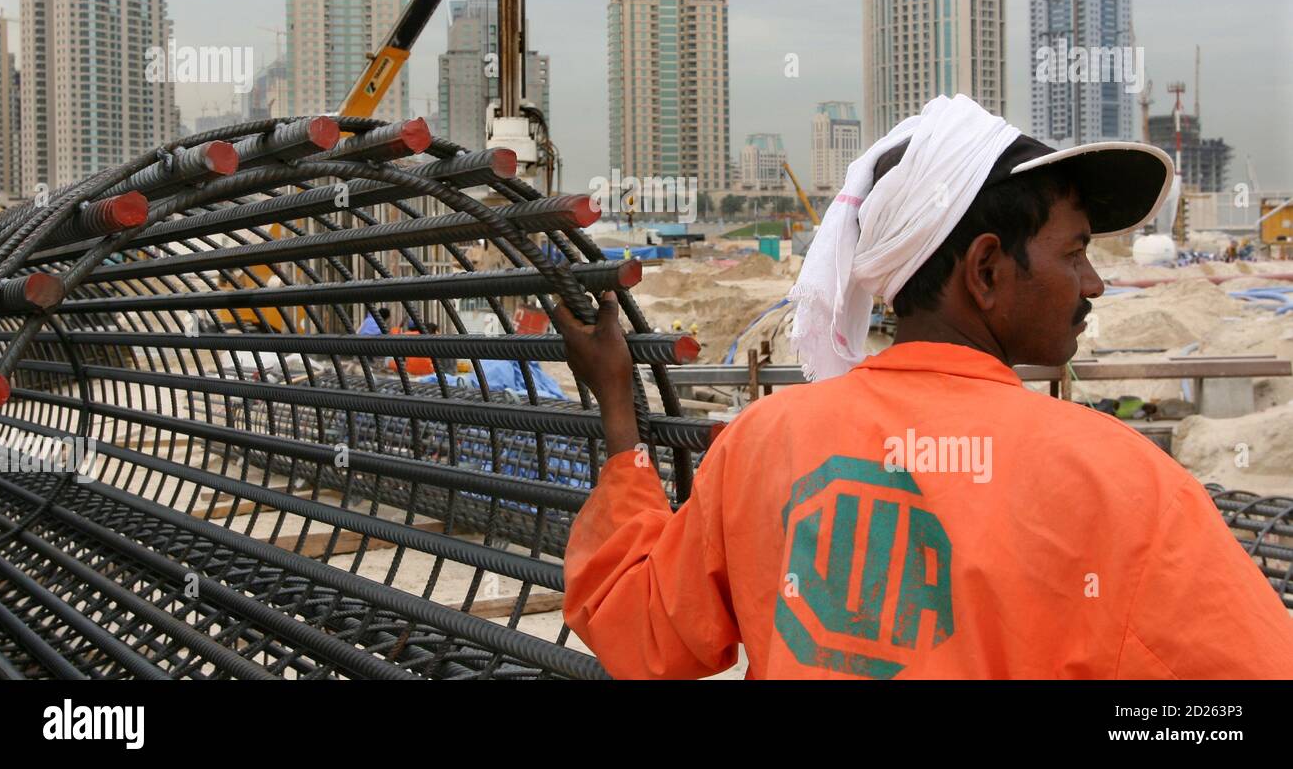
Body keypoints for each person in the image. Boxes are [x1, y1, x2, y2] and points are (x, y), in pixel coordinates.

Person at [550, 94, 1293, 680]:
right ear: (987, 269)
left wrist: (621, 410)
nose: (1094, 283)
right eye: (1075, 251)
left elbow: (639, 628)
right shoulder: (1124, 487)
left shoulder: (763, 445)